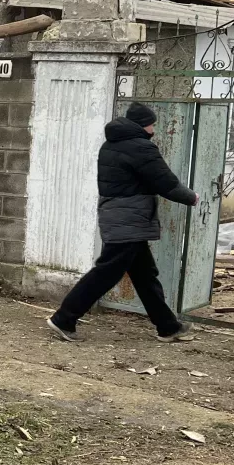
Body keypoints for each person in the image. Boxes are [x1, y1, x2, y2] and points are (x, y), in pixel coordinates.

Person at [47, 102, 199, 343]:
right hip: (129, 218)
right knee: (106, 272)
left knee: (145, 275)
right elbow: (164, 182)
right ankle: (63, 318)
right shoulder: (141, 148)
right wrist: (190, 197)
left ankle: (168, 327)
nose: (153, 128)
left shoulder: (110, 145)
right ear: (144, 125)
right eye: (152, 124)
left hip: (119, 215)